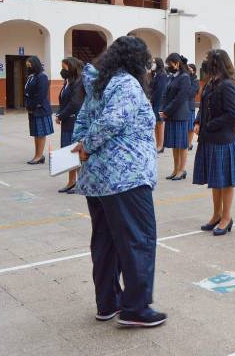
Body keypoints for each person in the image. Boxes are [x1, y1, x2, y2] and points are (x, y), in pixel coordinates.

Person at [71, 35, 165, 328]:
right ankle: (136, 308)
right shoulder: (126, 83)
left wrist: (81, 146)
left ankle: (107, 302)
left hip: (98, 179)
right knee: (139, 238)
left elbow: (82, 122)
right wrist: (86, 145)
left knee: (105, 241)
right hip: (126, 176)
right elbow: (113, 120)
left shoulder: (98, 84)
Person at [193, 50, 235, 236]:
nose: (205, 64)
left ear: (217, 63)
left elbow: (232, 114)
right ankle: (216, 214)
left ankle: (226, 217)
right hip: (209, 137)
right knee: (215, 180)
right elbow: (203, 105)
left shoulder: (227, 85)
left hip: (222, 139)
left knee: (225, 181)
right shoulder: (211, 83)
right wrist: (198, 121)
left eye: (208, 61)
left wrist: (210, 125)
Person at [160, 53, 192, 180]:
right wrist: (163, 109)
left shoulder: (184, 77)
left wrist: (167, 111)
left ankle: (181, 170)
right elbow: (165, 94)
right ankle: (175, 169)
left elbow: (180, 98)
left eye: (170, 64)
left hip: (179, 115)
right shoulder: (172, 77)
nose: (168, 66)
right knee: (174, 144)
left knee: (181, 144)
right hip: (170, 115)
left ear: (177, 64)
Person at [55, 57, 84, 193]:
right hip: (67, 121)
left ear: (71, 68)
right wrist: (60, 114)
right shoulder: (68, 82)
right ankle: (71, 182)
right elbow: (64, 101)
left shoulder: (78, 82)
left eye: (64, 68)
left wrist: (61, 115)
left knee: (75, 153)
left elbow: (75, 103)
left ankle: (79, 182)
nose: (62, 70)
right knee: (68, 152)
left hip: (74, 121)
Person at [24, 55, 53, 164]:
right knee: (36, 133)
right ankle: (37, 155)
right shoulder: (31, 77)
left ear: (35, 65)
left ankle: (39, 155)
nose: (28, 67)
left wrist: (31, 106)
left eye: (29, 65)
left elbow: (41, 95)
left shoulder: (42, 77)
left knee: (40, 134)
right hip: (32, 109)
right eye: (27, 66)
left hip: (40, 109)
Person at [148, 58, 168, 153]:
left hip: (159, 102)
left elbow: (160, 90)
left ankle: (161, 145)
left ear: (158, 63)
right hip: (155, 102)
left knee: (160, 124)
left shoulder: (162, 75)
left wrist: (152, 99)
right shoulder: (155, 75)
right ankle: (157, 145)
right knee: (156, 124)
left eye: (154, 62)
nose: (152, 64)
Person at [186, 63, 200, 151]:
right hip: (183, 105)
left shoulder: (195, 81)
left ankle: (189, 143)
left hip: (190, 105)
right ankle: (186, 142)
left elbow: (191, 92)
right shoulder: (185, 78)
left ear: (194, 70)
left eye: (190, 69)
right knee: (185, 126)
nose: (188, 70)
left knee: (190, 127)